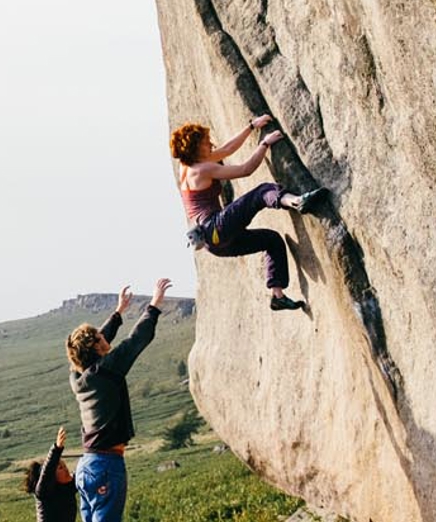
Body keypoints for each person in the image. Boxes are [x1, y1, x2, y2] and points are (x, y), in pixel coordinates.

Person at [171, 114, 325, 310]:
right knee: (261, 192)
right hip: (215, 228)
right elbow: (245, 170)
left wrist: (251, 126)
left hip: (214, 244)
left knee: (272, 240)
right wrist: (264, 144)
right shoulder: (202, 170)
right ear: (194, 147)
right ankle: (295, 201)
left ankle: (277, 296)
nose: (210, 143)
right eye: (205, 142)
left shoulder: (186, 166)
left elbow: (227, 149)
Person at [66, 280, 169, 522]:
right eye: (99, 339)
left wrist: (118, 312)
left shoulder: (77, 377)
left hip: (86, 468)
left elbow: (94, 343)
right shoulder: (107, 370)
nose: (105, 339)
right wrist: (154, 305)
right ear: (95, 348)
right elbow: (136, 340)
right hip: (106, 466)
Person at [24, 426, 78, 522]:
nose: (66, 469)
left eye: (65, 465)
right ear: (52, 476)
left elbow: (83, 473)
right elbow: (47, 472)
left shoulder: (69, 485)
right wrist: (56, 449)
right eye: (61, 468)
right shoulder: (43, 492)